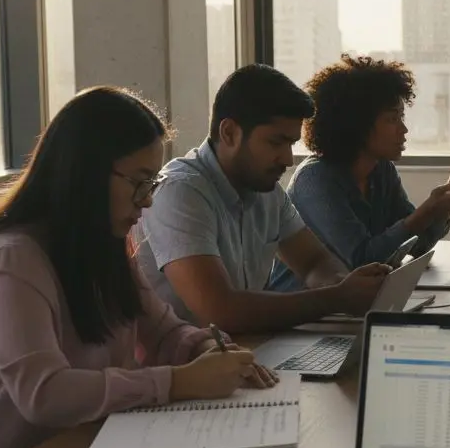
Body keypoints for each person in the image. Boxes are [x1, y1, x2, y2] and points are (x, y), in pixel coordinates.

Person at [0, 87, 274, 448]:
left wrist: (205, 350)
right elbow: (44, 394)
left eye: (152, 184)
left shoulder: (105, 245)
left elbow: (163, 331)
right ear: (84, 174)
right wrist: (177, 382)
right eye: (139, 182)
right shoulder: (11, 260)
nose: (147, 200)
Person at [134, 64, 388, 334]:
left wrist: (341, 284)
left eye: (291, 144)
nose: (287, 159)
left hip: (243, 352)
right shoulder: (179, 192)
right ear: (229, 133)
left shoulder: (266, 191)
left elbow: (314, 261)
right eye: (276, 143)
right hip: (186, 365)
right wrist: (336, 298)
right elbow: (221, 311)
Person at [267, 54, 450, 292]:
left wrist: (449, 193)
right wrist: (429, 209)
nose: (404, 129)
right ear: (357, 125)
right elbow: (362, 261)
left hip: (354, 306)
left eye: (401, 117)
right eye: (392, 119)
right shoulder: (315, 180)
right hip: (305, 316)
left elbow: (417, 246)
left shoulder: (381, 170)